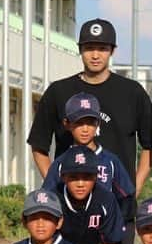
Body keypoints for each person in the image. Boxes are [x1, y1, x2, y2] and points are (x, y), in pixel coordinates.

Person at [27, 18, 152, 244]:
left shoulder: (132, 92)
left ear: (112, 51)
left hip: (117, 209)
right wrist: (58, 186)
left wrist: (131, 192)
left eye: (102, 48)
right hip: (69, 214)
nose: (95, 55)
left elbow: (149, 147)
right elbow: (39, 145)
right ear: (80, 50)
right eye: (89, 48)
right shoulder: (58, 91)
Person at [41, 93, 135, 226]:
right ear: (67, 123)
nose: (85, 129)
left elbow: (127, 198)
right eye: (79, 123)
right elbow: (48, 198)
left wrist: (115, 224)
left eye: (90, 123)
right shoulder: (61, 163)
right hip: (70, 234)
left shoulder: (110, 161)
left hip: (103, 233)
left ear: (98, 124)